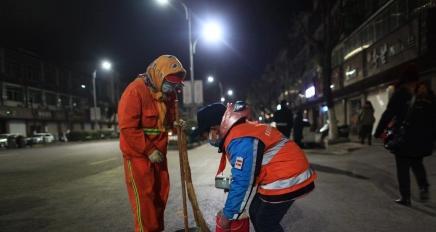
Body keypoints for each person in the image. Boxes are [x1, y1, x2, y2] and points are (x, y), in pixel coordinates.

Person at [196, 101, 316, 231]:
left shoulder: (239, 138)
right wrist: (232, 184)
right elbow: (248, 169)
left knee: (265, 222)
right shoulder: (240, 131)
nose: (208, 139)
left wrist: (227, 215)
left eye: (206, 135)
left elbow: (243, 181)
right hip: (281, 172)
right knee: (255, 211)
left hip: (288, 175)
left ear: (214, 128)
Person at [118, 55, 186, 232]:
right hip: (139, 157)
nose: (172, 88)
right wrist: (148, 150)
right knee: (145, 200)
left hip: (159, 156)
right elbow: (127, 128)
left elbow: (167, 120)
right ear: (157, 75)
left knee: (160, 195)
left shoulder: (167, 96)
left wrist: (177, 123)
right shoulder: (135, 91)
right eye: (170, 83)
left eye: (175, 85)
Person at [374, 66, 436, 206]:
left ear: (404, 80)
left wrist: (378, 132)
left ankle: (405, 197)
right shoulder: (428, 94)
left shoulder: (400, 94)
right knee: (417, 163)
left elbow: (388, 115)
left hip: (404, 137)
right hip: (422, 137)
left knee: (402, 167)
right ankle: (423, 187)